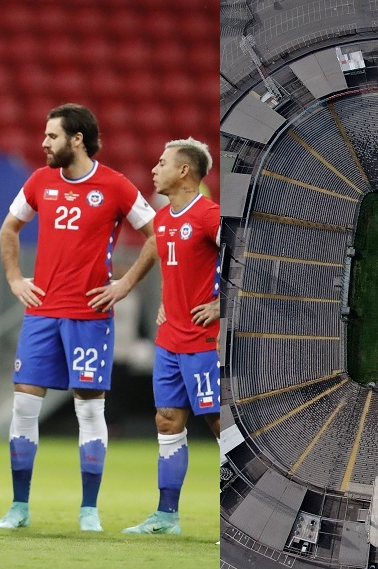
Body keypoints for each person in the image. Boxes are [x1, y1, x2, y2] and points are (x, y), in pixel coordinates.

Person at [0, 103, 157, 532]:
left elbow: (158, 235)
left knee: (89, 413)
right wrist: (14, 278)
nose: (43, 144)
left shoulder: (116, 186)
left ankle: (88, 510)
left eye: (51, 136)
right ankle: (19, 506)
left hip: (89, 316)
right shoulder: (40, 180)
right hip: (41, 314)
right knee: (24, 407)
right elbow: (9, 229)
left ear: (77, 139)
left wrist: (124, 286)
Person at [123, 138, 221, 535]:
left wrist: (221, 303)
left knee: (218, 420)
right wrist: (167, 301)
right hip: (169, 340)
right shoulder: (163, 219)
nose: (154, 169)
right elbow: (173, 264)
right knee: (166, 421)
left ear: (184, 171)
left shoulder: (209, 215)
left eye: (162, 163)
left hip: (202, 341)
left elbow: (242, 258)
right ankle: (166, 516)